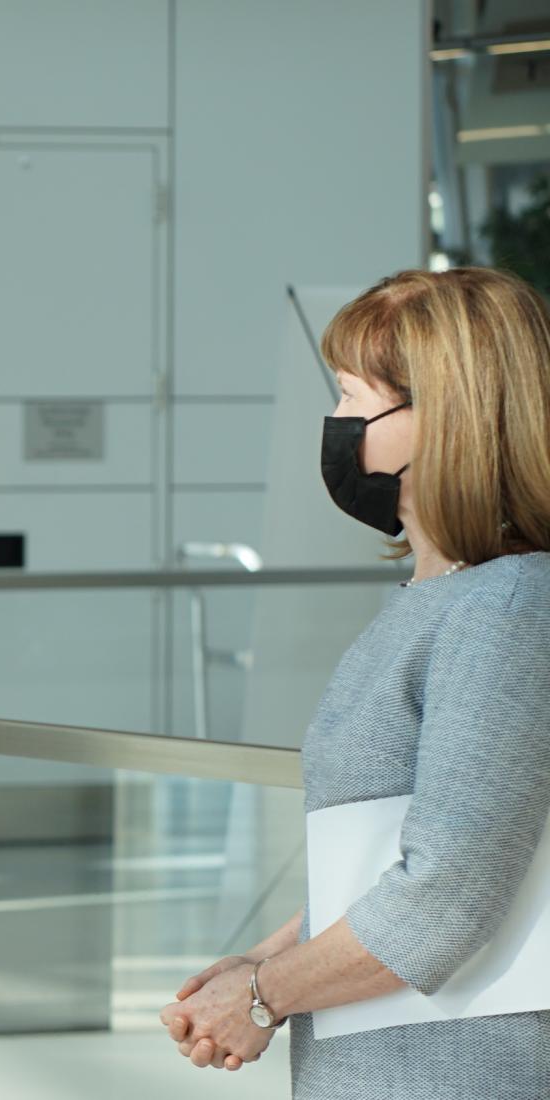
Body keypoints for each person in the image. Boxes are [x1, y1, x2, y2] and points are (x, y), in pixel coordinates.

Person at [160, 268, 550, 1096]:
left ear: (440, 417)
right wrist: (262, 961)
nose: (335, 422)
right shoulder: (436, 601)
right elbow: (386, 863)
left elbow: (446, 894)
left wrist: (263, 999)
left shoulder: (508, 607)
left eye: (349, 395)